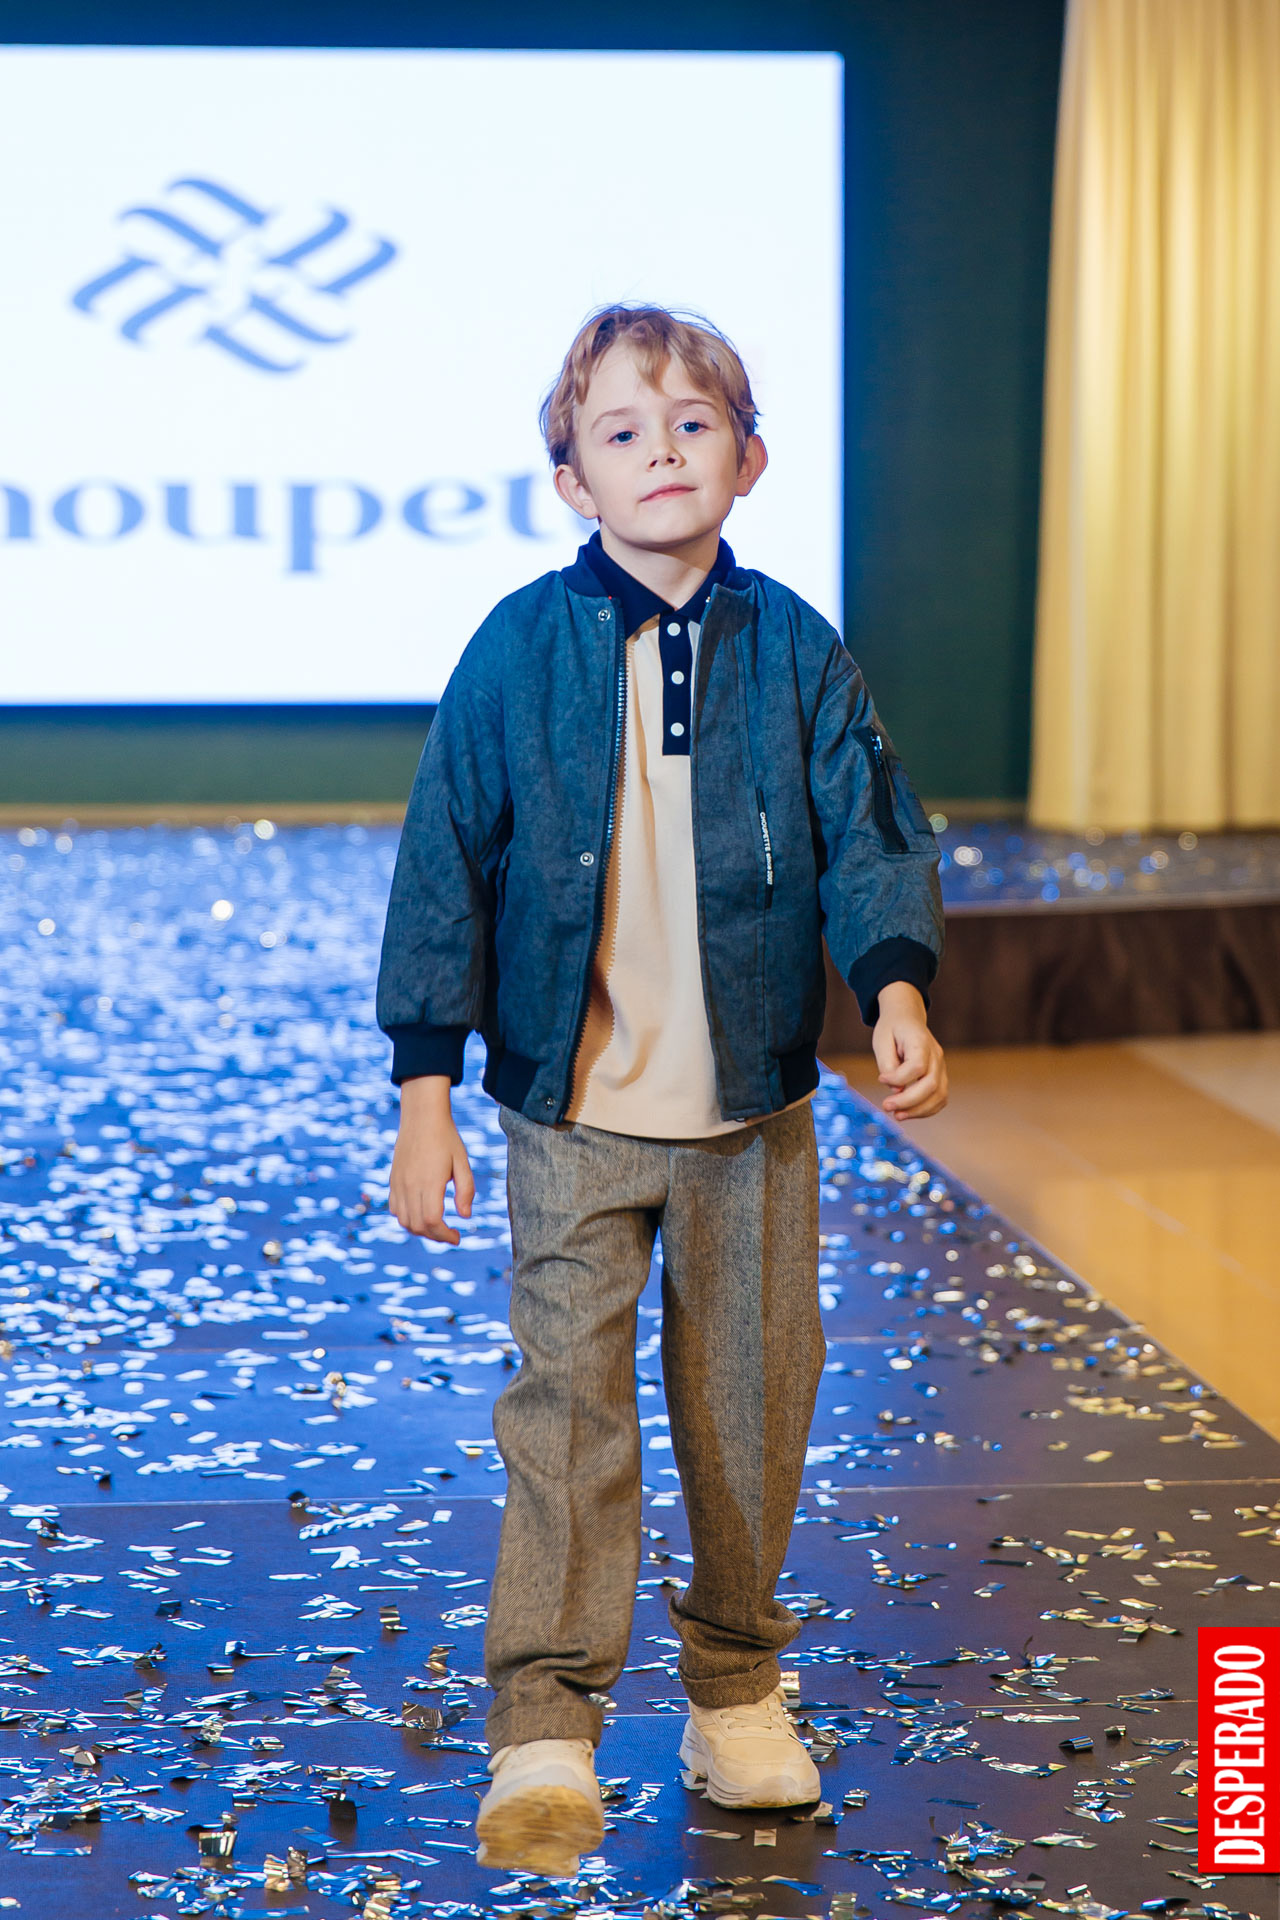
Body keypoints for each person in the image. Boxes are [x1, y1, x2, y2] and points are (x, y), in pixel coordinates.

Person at [377, 304, 947, 1878]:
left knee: (753, 1409)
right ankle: (545, 1725)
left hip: (750, 1117)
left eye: (695, 425)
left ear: (749, 460)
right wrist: (426, 1088)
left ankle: (737, 1689)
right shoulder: (518, 649)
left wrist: (895, 987)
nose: (664, 453)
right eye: (622, 433)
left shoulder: (797, 648)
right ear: (573, 480)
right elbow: (444, 862)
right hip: (570, 1114)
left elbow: (871, 829)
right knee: (567, 1413)